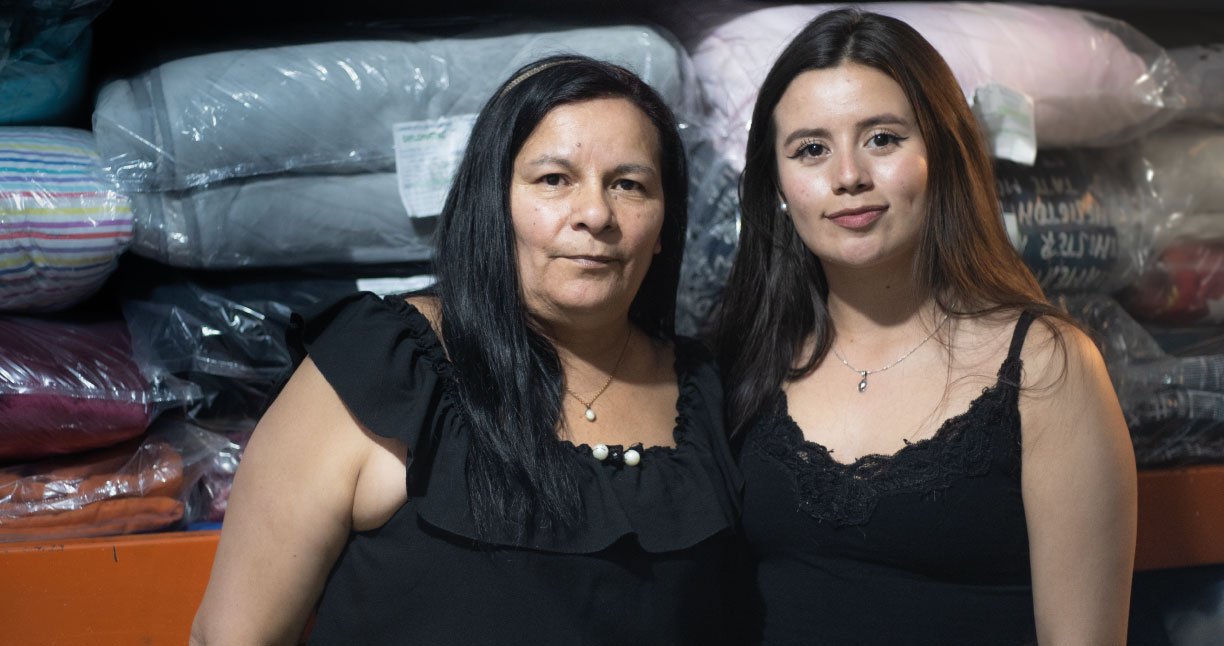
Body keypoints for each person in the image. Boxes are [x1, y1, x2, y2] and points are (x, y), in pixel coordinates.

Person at [190, 55, 740, 646]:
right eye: (554, 179)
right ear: (492, 204)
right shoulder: (386, 365)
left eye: (629, 185)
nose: (595, 215)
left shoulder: (708, 391)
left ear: (662, 228)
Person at [712, 9, 1136, 645]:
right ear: (776, 182)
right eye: (811, 149)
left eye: (882, 138)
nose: (849, 175)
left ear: (942, 152)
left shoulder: (1046, 364)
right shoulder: (744, 359)